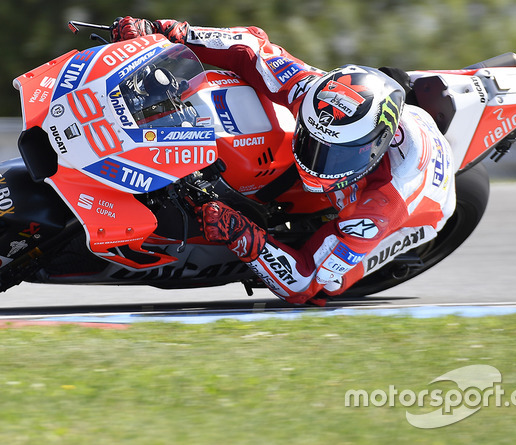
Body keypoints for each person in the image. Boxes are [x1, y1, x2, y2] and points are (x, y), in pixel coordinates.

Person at [111, 16, 456, 305]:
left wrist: (241, 233)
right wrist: (166, 31)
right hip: (375, 135)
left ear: (375, 146)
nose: (318, 161)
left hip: (417, 211)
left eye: (336, 155)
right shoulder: (313, 92)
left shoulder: (385, 202)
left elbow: (303, 282)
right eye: (313, 140)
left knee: (329, 286)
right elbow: (251, 47)